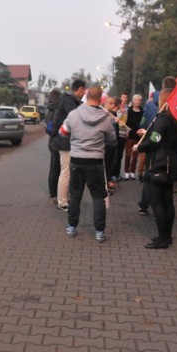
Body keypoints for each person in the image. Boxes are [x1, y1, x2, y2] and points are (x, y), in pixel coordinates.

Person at [59, 86, 116, 242]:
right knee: (98, 197)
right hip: (96, 162)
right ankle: (99, 231)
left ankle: (72, 227)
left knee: (75, 195)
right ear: (101, 99)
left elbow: (62, 132)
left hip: (76, 160)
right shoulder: (105, 117)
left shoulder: (73, 114)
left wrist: (75, 135)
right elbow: (112, 138)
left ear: (86, 95)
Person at [136, 88, 177, 248]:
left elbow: (156, 139)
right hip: (170, 164)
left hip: (161, 164)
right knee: (167, 201)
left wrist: (139, 148)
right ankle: (167, 236)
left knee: (157, 202)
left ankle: (162, 239)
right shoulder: (175, 118)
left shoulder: (163, 117)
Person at [50, 79, 87, 211]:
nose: (84, 93)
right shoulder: (68, 100)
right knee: (64, 172)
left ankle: (63, 198)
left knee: (67, 172)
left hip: (65, 140)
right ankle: (62, 201)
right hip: (63, 141)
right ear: (80, 89)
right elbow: (76, 116)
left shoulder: (70, 100)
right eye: (84, 90)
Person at [46, 88, 62, 205]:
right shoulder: (59, 110)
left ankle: (53, 193)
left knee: (54, 168)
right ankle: (56, 194)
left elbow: (48, 128)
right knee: (60, 169)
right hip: (59, 141)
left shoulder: (48, 110)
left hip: (51, 142)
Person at [122, 94, 144, 179]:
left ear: (141, 101)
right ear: (133, 101)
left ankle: (132, 171)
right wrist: (126, 131)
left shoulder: (143, 112)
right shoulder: (128, 111)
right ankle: (126, 171)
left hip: (138, 137)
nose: (137, 101)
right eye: (136, 100)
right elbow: (125, 123)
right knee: (128, 155)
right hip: (129, 136)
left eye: (139, 100)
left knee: (135, 156)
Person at [110, 92, 130, 182]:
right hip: (116, 135)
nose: (124, 99)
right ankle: (112, 174)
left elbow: (127, 122)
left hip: (123, 134)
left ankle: (117, 174)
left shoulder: (127, 109)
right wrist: (120, 113)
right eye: (122, 97)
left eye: (125, 97)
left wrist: (127, 131)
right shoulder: (116, 109)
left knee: (120, 156)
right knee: (115, 155)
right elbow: (114, 120)